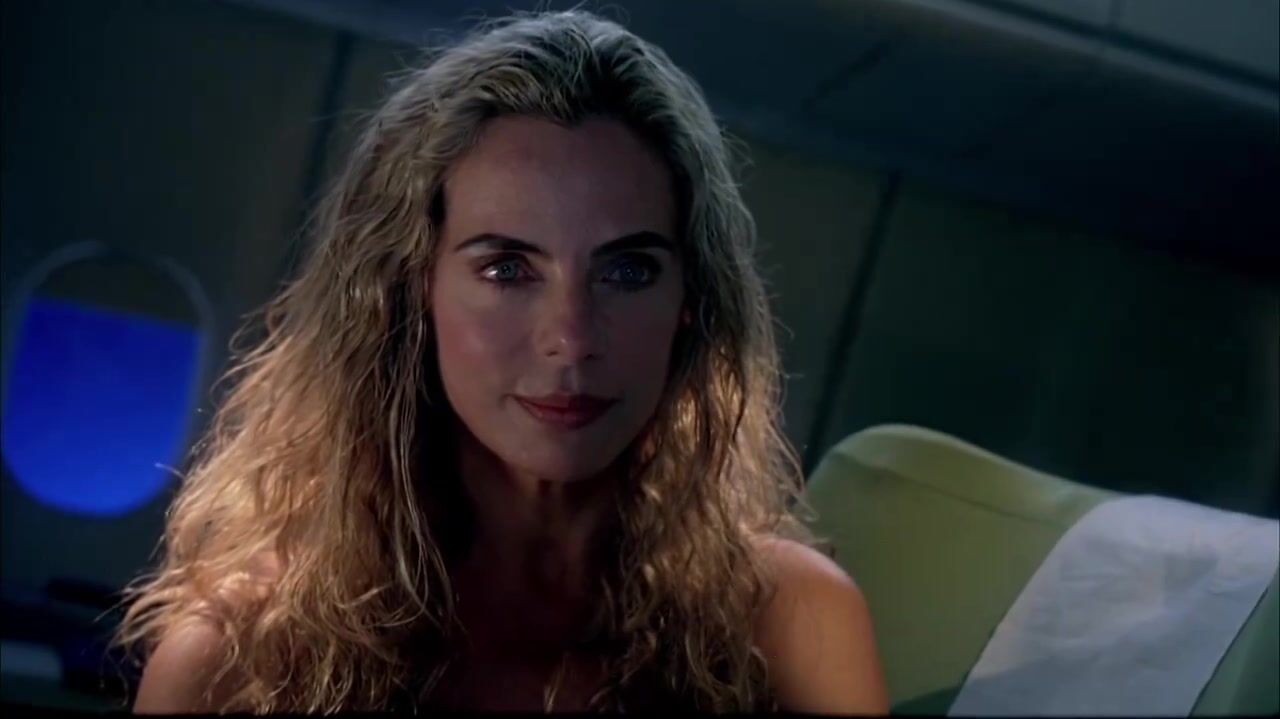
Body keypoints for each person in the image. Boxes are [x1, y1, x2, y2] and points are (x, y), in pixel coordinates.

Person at [115, 10, 888, 713]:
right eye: (507, 268)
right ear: (414, 290)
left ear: (691, 300)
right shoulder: (238, 661)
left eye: (627, 270)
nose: (571, 338)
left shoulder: (793, 624)